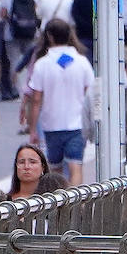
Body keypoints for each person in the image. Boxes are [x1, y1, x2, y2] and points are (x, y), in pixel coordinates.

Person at [27, 19, 95, 186]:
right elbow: (92, 94)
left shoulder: (42, 64)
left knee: (55, 169)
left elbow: (36, 99)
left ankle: (59, 204)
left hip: (52, 123)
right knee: (75, 166)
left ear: (49, 37)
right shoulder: (82, 61)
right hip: (77, 122)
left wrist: (32, 128)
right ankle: (76, 201)